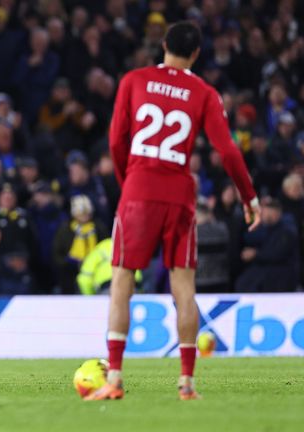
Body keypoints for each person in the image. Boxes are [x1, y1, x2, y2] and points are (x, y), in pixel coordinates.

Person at [86, 22, 261, 401]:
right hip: (180, 196)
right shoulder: (204, 92)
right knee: (183, 287)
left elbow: (116, 139)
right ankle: (186, 383)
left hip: (138, 191)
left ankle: (114, 378)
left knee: (121, 283)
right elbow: (228, 151)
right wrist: (249, 197)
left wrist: (128, 180)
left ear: (163, 44)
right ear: (196, 54)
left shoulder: (133, 80)